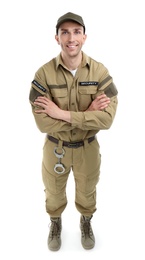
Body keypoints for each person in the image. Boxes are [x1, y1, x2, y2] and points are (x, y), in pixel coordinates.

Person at [29, 12, 118, 251]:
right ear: (56, 38)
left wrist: (61, 114)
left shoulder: (99, 73)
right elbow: (42, 124)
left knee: (88, 190)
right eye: (65, 32)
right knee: (54, 192)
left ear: (85, 37)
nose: (71, 38)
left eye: (76, 32)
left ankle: (86, 221)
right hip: (55, 147)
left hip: (87, 148)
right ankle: (55, 222)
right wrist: (88, 113)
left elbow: (107, 120)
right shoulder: (43, 75)